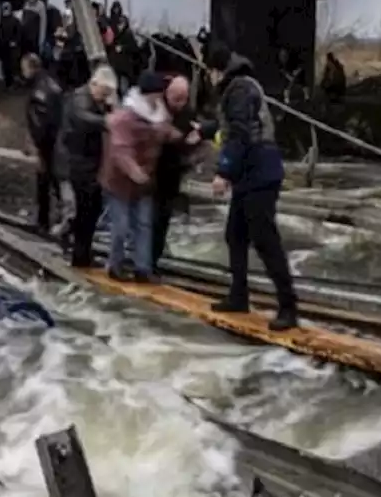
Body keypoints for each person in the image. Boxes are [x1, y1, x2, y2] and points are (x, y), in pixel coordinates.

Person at [205, 44, 298, 330]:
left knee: (266, 240)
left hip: (260, 173)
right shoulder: (239, 86)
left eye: (208, 72)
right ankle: (239, 295)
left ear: (215, 70)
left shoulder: (239, 89)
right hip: (249, 174)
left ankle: (288, 307)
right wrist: (205, 130)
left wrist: (223, 172)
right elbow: (231, 128)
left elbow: (241, 133)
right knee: (235, 235)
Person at [100, 71, 174, 282]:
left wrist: (189, 137)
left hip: (144, 182)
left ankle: (143, 269)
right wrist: (134, 171)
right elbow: (120, 149)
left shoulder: (161, 115)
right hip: (119, 182)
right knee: (121, 227)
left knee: (144, 225)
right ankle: (115, 265)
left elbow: (167, 133)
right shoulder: (125, 117)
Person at [56, 64, 117, 267]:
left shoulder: (93, 100)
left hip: (87, 162)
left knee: (93, 208)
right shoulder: (80, 98)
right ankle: (79, 253)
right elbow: (83, 119)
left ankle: (82, 249)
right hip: (77, 163)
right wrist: (106, 121)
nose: (105, 97)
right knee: (85, 209)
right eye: (104, 92)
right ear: (95, 84)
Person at [152, 75, 203, 269]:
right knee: (148, 218)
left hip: (173, 172)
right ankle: (142, 259)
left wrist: (195, 138)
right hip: (153, 170)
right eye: (176, 99)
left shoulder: (187, 113)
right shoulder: (157, 107)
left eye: (183, 99)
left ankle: (153, 260)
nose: (180, 104)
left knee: (163, 218)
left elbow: (195, 133)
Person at [23, 53, 64, 231]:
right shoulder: (51, 84)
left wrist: (36, 146)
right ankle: (57, 216)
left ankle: (43, 220)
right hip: (57, 141)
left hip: (47, 144)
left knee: (45, 182)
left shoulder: (39, 92)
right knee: (54, 181)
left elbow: (39, 123)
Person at [0, 3, 22, 88]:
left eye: (7, 8)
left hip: (13, 47)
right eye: (4, 8)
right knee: (5, 65)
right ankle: (8, 83)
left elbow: (19, 33)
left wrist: (15, 41)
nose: (6, 10)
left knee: (13, 65)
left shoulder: (15, 20)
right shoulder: (1, 21)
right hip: (3, 46)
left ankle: (14, 83)